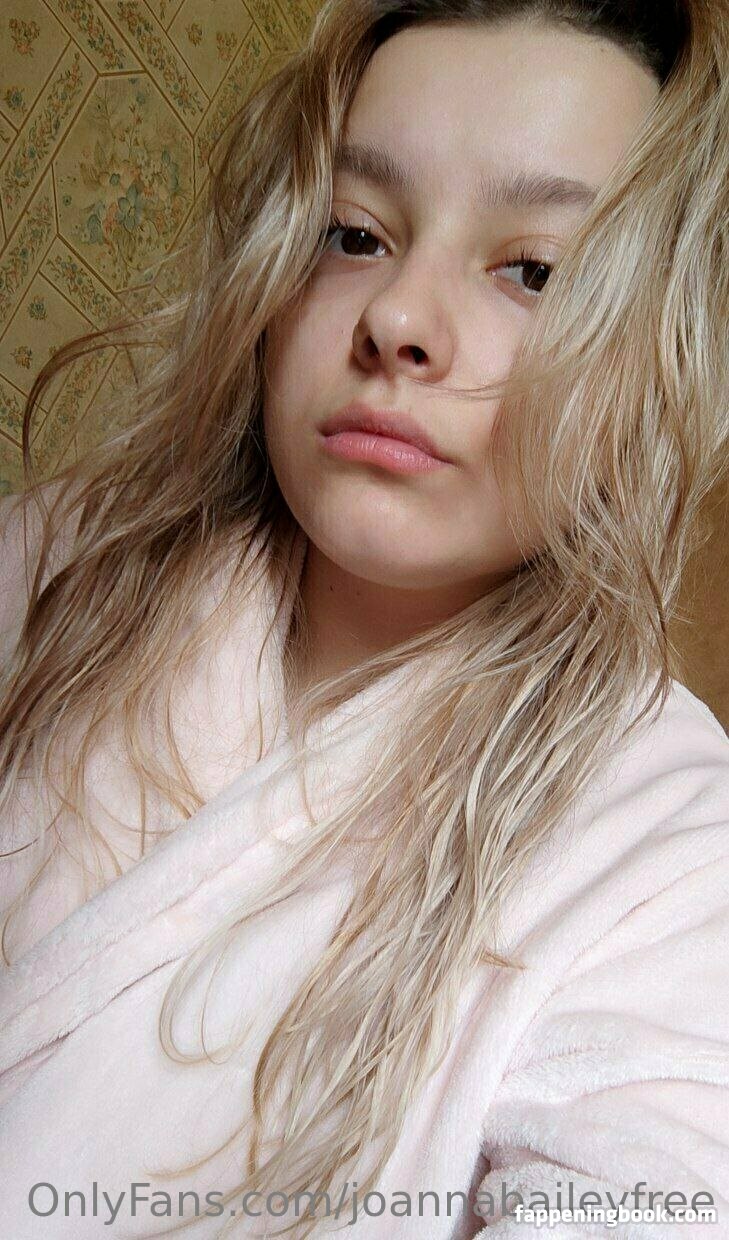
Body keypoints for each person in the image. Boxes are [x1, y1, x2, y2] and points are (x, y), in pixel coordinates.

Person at [0, 0, 727, 1236]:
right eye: (355, 233)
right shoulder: (57, 565)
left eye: (534, 271)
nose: (396, 320)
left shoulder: (672, 835)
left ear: (659, 348)